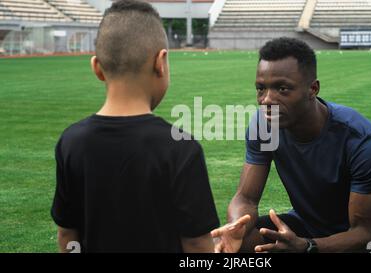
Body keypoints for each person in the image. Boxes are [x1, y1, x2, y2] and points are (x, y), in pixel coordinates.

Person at [50, 0, 249, 253]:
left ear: (97, 68)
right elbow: (196, 245)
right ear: (161, 63)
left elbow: (68, 234)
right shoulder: (181, 148)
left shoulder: (71, 142)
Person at [212, 37, 371, 253]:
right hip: (305, 224)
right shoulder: (264, 125)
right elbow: (246, 198)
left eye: (282, 89)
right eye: (261, 89)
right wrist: (236, 226)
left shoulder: (362, 141)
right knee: (237, 244)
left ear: (313, 89)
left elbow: (364, 232)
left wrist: (307, 247)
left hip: (356, 240)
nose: (267, 100)